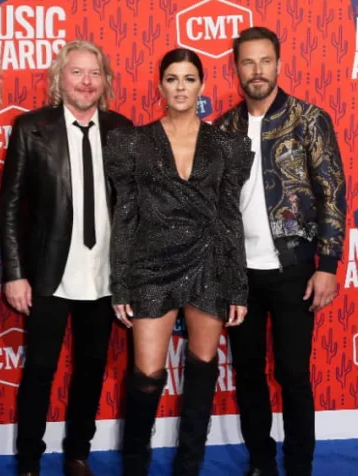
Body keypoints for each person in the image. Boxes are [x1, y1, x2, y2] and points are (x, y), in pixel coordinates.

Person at [105, 48, 252, 476]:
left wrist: (237, 286)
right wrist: (122, 284)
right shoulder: (132, 142)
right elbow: (125, 216)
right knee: (146, 376)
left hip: (209, 264)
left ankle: (189, 466)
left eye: (189, 79)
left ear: (202, 85)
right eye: (172, 79)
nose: (181, 87)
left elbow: (229, 216)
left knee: (202, 370)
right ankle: (135, 467)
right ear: (160, 85)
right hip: (151, 267)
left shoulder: (227, 144)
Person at [213, 27, 347, 476]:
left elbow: (331, 193)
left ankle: (299, 466)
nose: (257, 71)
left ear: (279, 64)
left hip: (293, 268)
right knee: (248, 375)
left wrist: (327, 266)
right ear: (236, 69)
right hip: (240, 275)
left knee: (292, 375)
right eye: (248, 62)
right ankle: (261, 463)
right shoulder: (224, 128)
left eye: (265, 61)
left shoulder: (310, 119)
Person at [0, 40, 133, 476]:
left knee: (91, 370)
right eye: (77, 72)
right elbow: (12, 205)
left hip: (104, 275)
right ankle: (30, 462)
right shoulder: (31, 129)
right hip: (48, 274)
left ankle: (78, 453)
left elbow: (132, 209)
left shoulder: (122, 129)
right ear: (60, 78)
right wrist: (15, 274)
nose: (86, 81)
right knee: (39, 370)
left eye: (94, 73)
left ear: (105, 81)